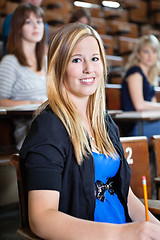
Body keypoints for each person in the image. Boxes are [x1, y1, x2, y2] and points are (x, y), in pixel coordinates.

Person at [19, 23, 160, 240]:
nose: (89, 68)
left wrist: (154, 227)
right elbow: (41, 218)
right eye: (77, 59)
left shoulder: (104, 122)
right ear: (59, 67)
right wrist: (124, 233)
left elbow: (126, 195)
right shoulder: (49, 128)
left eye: (95, 58)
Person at [0, 3, 47, 149]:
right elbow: (1, 101)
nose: (36, 26)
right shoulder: (10, 62)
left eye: (39, 21)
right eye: (29, 22)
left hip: (50, 123)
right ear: (18, 27)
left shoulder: (46, 60)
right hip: (29, 132)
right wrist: (29, 103)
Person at [121, 34, 160, 139]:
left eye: (154, 52)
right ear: (138, 54)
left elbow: (153, 106)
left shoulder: (151, 77)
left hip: (148, 124)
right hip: (136, 126)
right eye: (146, 51)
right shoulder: (135, 73)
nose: (150, 56)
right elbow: (139, 105)